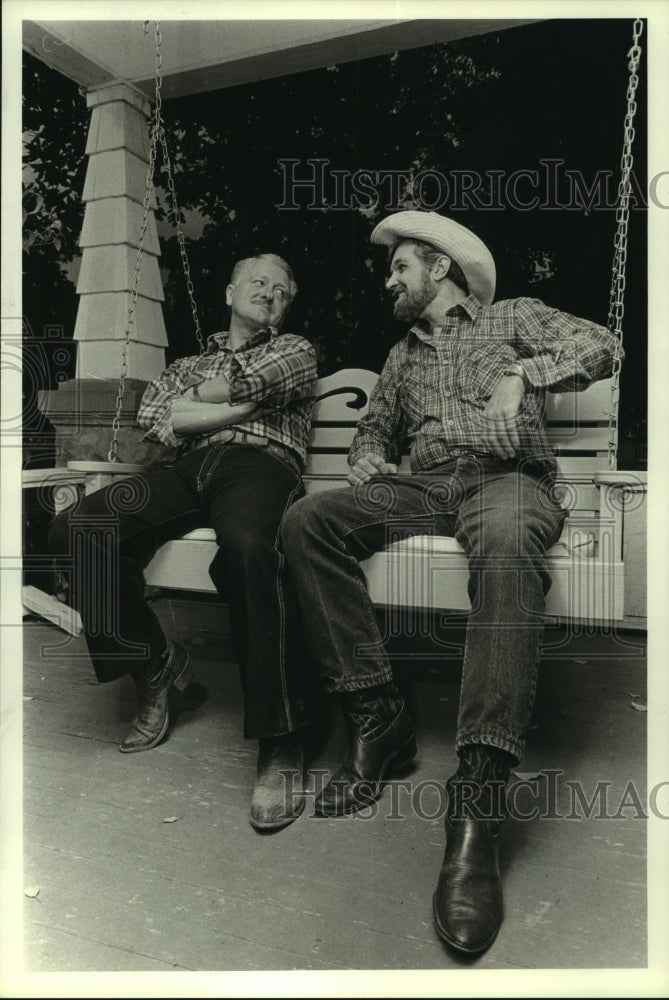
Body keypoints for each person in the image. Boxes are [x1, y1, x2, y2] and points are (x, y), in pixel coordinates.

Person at [280, 212, 622, 952]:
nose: (387, 280)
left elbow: (602, 343)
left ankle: (475, 800)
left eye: (398, 267)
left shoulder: (511, 317)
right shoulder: (399, 357)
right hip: (425, 487)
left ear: (436, 268)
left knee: (503, 540)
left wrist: (519, 375)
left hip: (507, 482)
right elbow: (376, 430)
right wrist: (366, 456)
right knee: (308, 522)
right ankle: (377, 717)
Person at [49, 252, 317, 832]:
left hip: (260, 466)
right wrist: (238, 406)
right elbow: (155, 415)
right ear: (228, 290)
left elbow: (250, 385)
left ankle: (282, 736)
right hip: (186, 470)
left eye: (281, 288)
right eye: (257, 281)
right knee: (79, 525)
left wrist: (203, 404)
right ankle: (155, 663)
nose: (269, 293)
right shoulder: (189, 361)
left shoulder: (294, 351)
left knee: (251, 546)